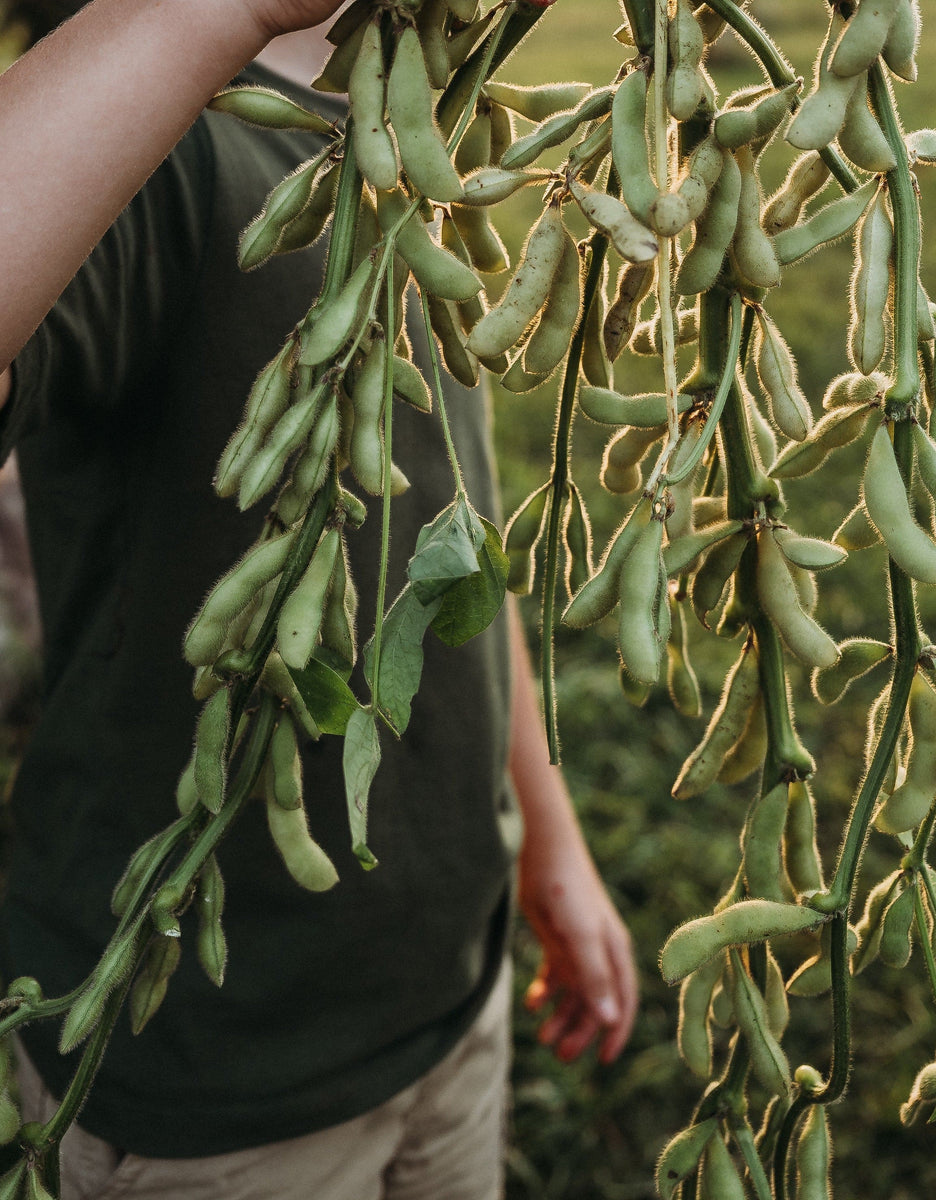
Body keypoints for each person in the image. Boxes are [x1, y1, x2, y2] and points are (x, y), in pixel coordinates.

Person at [0, 1, 638, 1196]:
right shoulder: (148, 150)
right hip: (209, 1080)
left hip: (446, 991)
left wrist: (548, 838)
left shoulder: (403, 133)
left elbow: (457, 531)